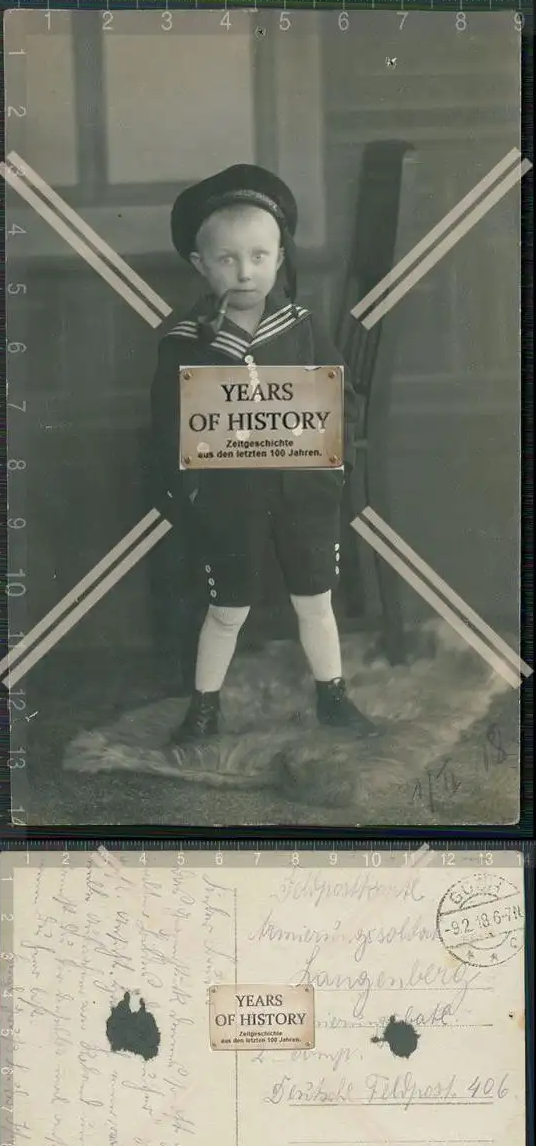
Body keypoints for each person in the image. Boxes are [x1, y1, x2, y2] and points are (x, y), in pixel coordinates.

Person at [150, 164, 379, 744]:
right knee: (227, 608)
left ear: (280, 258)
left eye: (258, 255)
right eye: (227, 259)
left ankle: (332, 696)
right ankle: (204, 707)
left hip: (304, 491)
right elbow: (168, 423)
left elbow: (342, 400)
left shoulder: (302, 329)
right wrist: (189, 488)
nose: (245, 271)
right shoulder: (185, 339)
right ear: (200, 265)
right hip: (231, 497)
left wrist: (338, 464)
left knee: (315, 600)